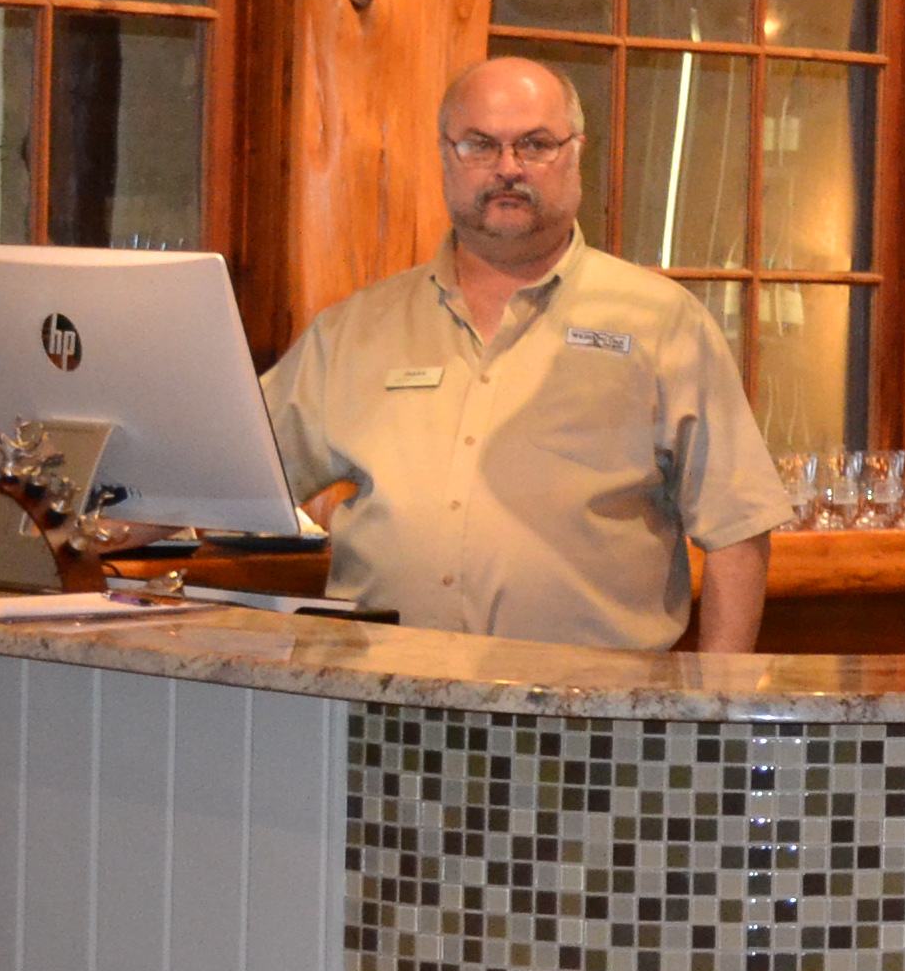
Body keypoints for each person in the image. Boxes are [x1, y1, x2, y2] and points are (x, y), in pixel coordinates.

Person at [262, 56, 791, 651]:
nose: (508, 168)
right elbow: (239, 473)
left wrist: (715, 699)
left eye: (535, 145)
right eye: (480, 145)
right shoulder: (356, 329)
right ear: (445, 155)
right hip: (381, 695)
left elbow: (739, 532)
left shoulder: (661, 323)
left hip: (589, 702)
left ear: (576, 153)